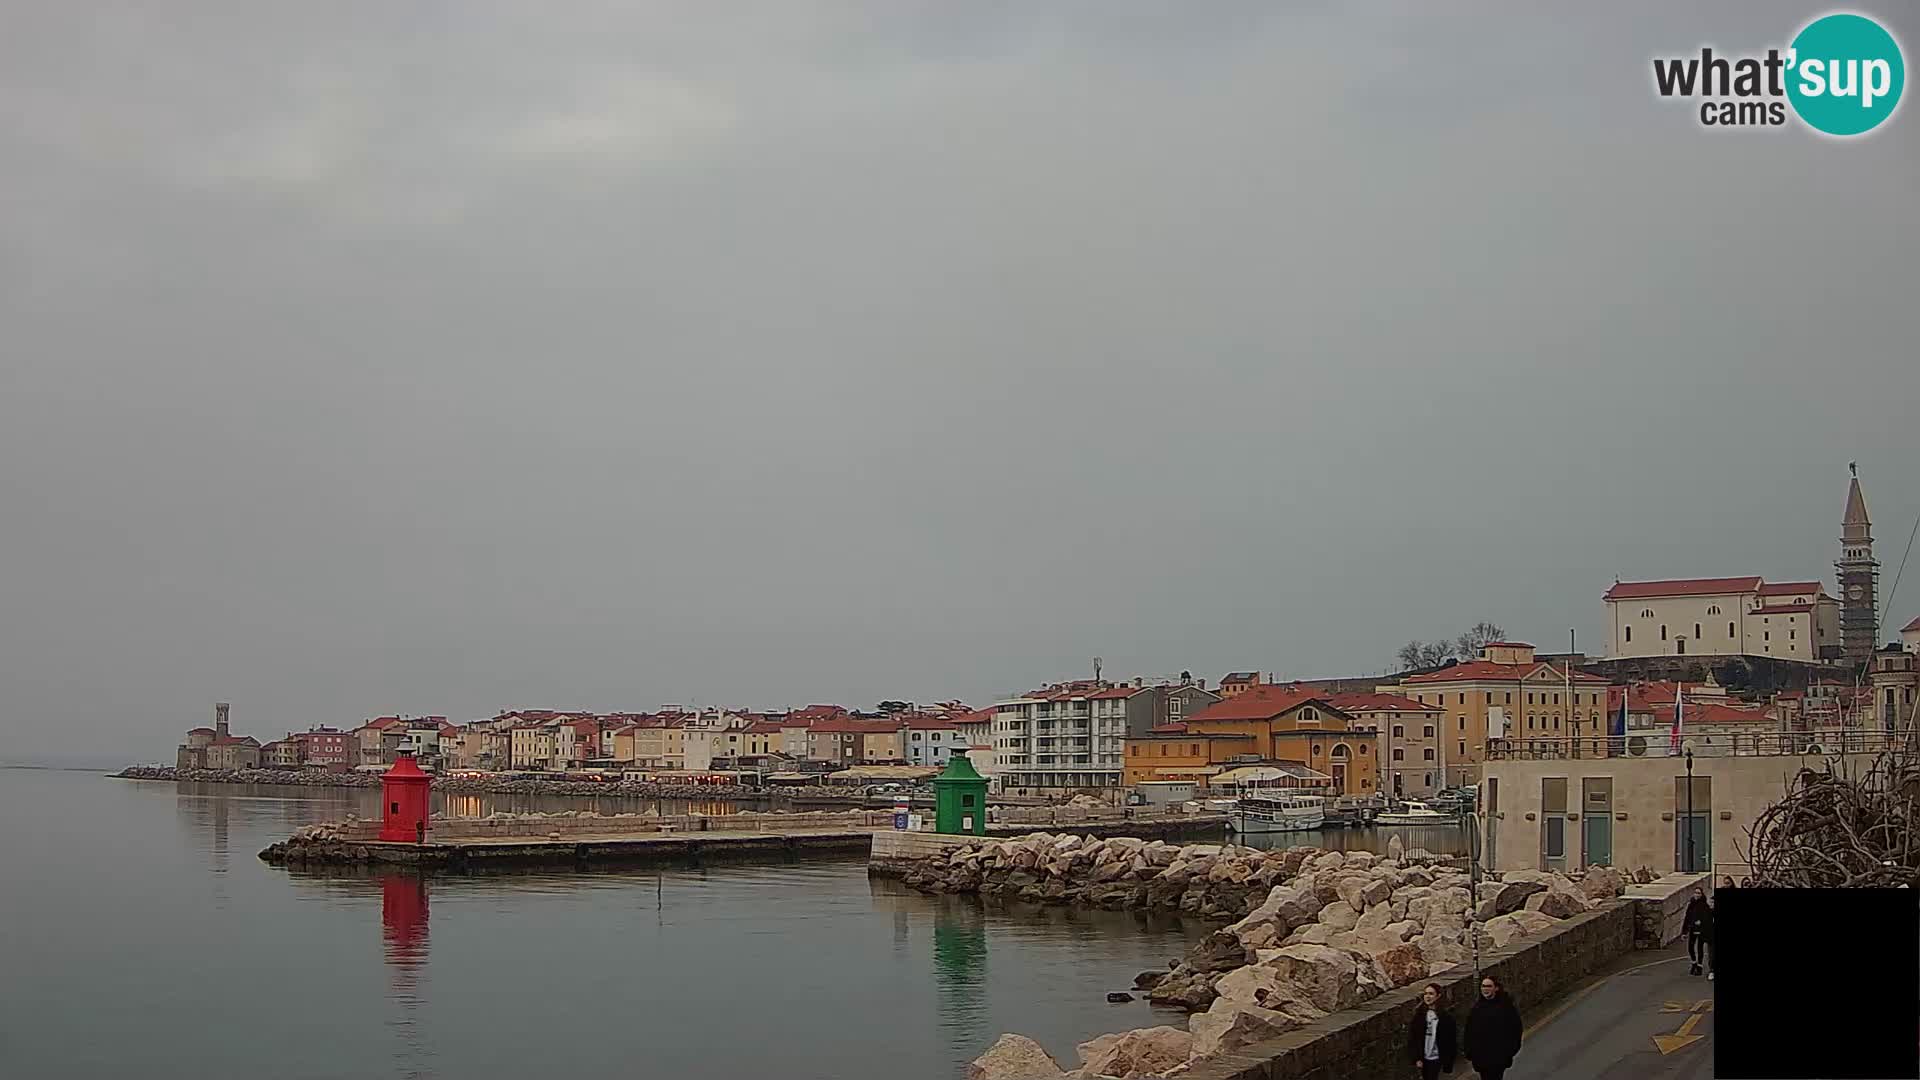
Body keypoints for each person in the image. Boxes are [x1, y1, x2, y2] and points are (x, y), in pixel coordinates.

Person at [1464, 974, 1522, 1080]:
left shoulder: (1506, 1007)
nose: (1485, 989)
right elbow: (1469, 1032)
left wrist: (1509, 1052)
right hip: (1481, 1058)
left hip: (1499, 1057)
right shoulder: (1477, 1008)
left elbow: (1516, 1030)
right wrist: (1470, 1053)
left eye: (1489, 986)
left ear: (1496, 988)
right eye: (1483, 986)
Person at [1407, 982, 1457, 1079]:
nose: (1427, 996)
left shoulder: (1446, 1017)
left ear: (1438, 996)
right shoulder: (1419, 1016)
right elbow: (1413, 1038)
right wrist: (1417, 1058)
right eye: (1425, 994)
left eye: (1431, 994)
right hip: (1423, 1057)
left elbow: (1451, 1040)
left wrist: (1448, 1062)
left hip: (1437, 1057)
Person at [1684, 887, 1711, 975]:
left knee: (1700, 947)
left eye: (1699, 893)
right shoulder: (1691, 904)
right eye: (1695, 893)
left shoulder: (1704, 905)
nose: (1697, 895)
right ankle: (1694, 962)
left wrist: (1701, 922)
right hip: (1692, 928)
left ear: (1702, 894)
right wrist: (1684, 931)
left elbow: (1707, 918)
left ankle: (1699, 965)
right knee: (1690, 947)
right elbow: (1687, 917)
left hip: (1701, 929)